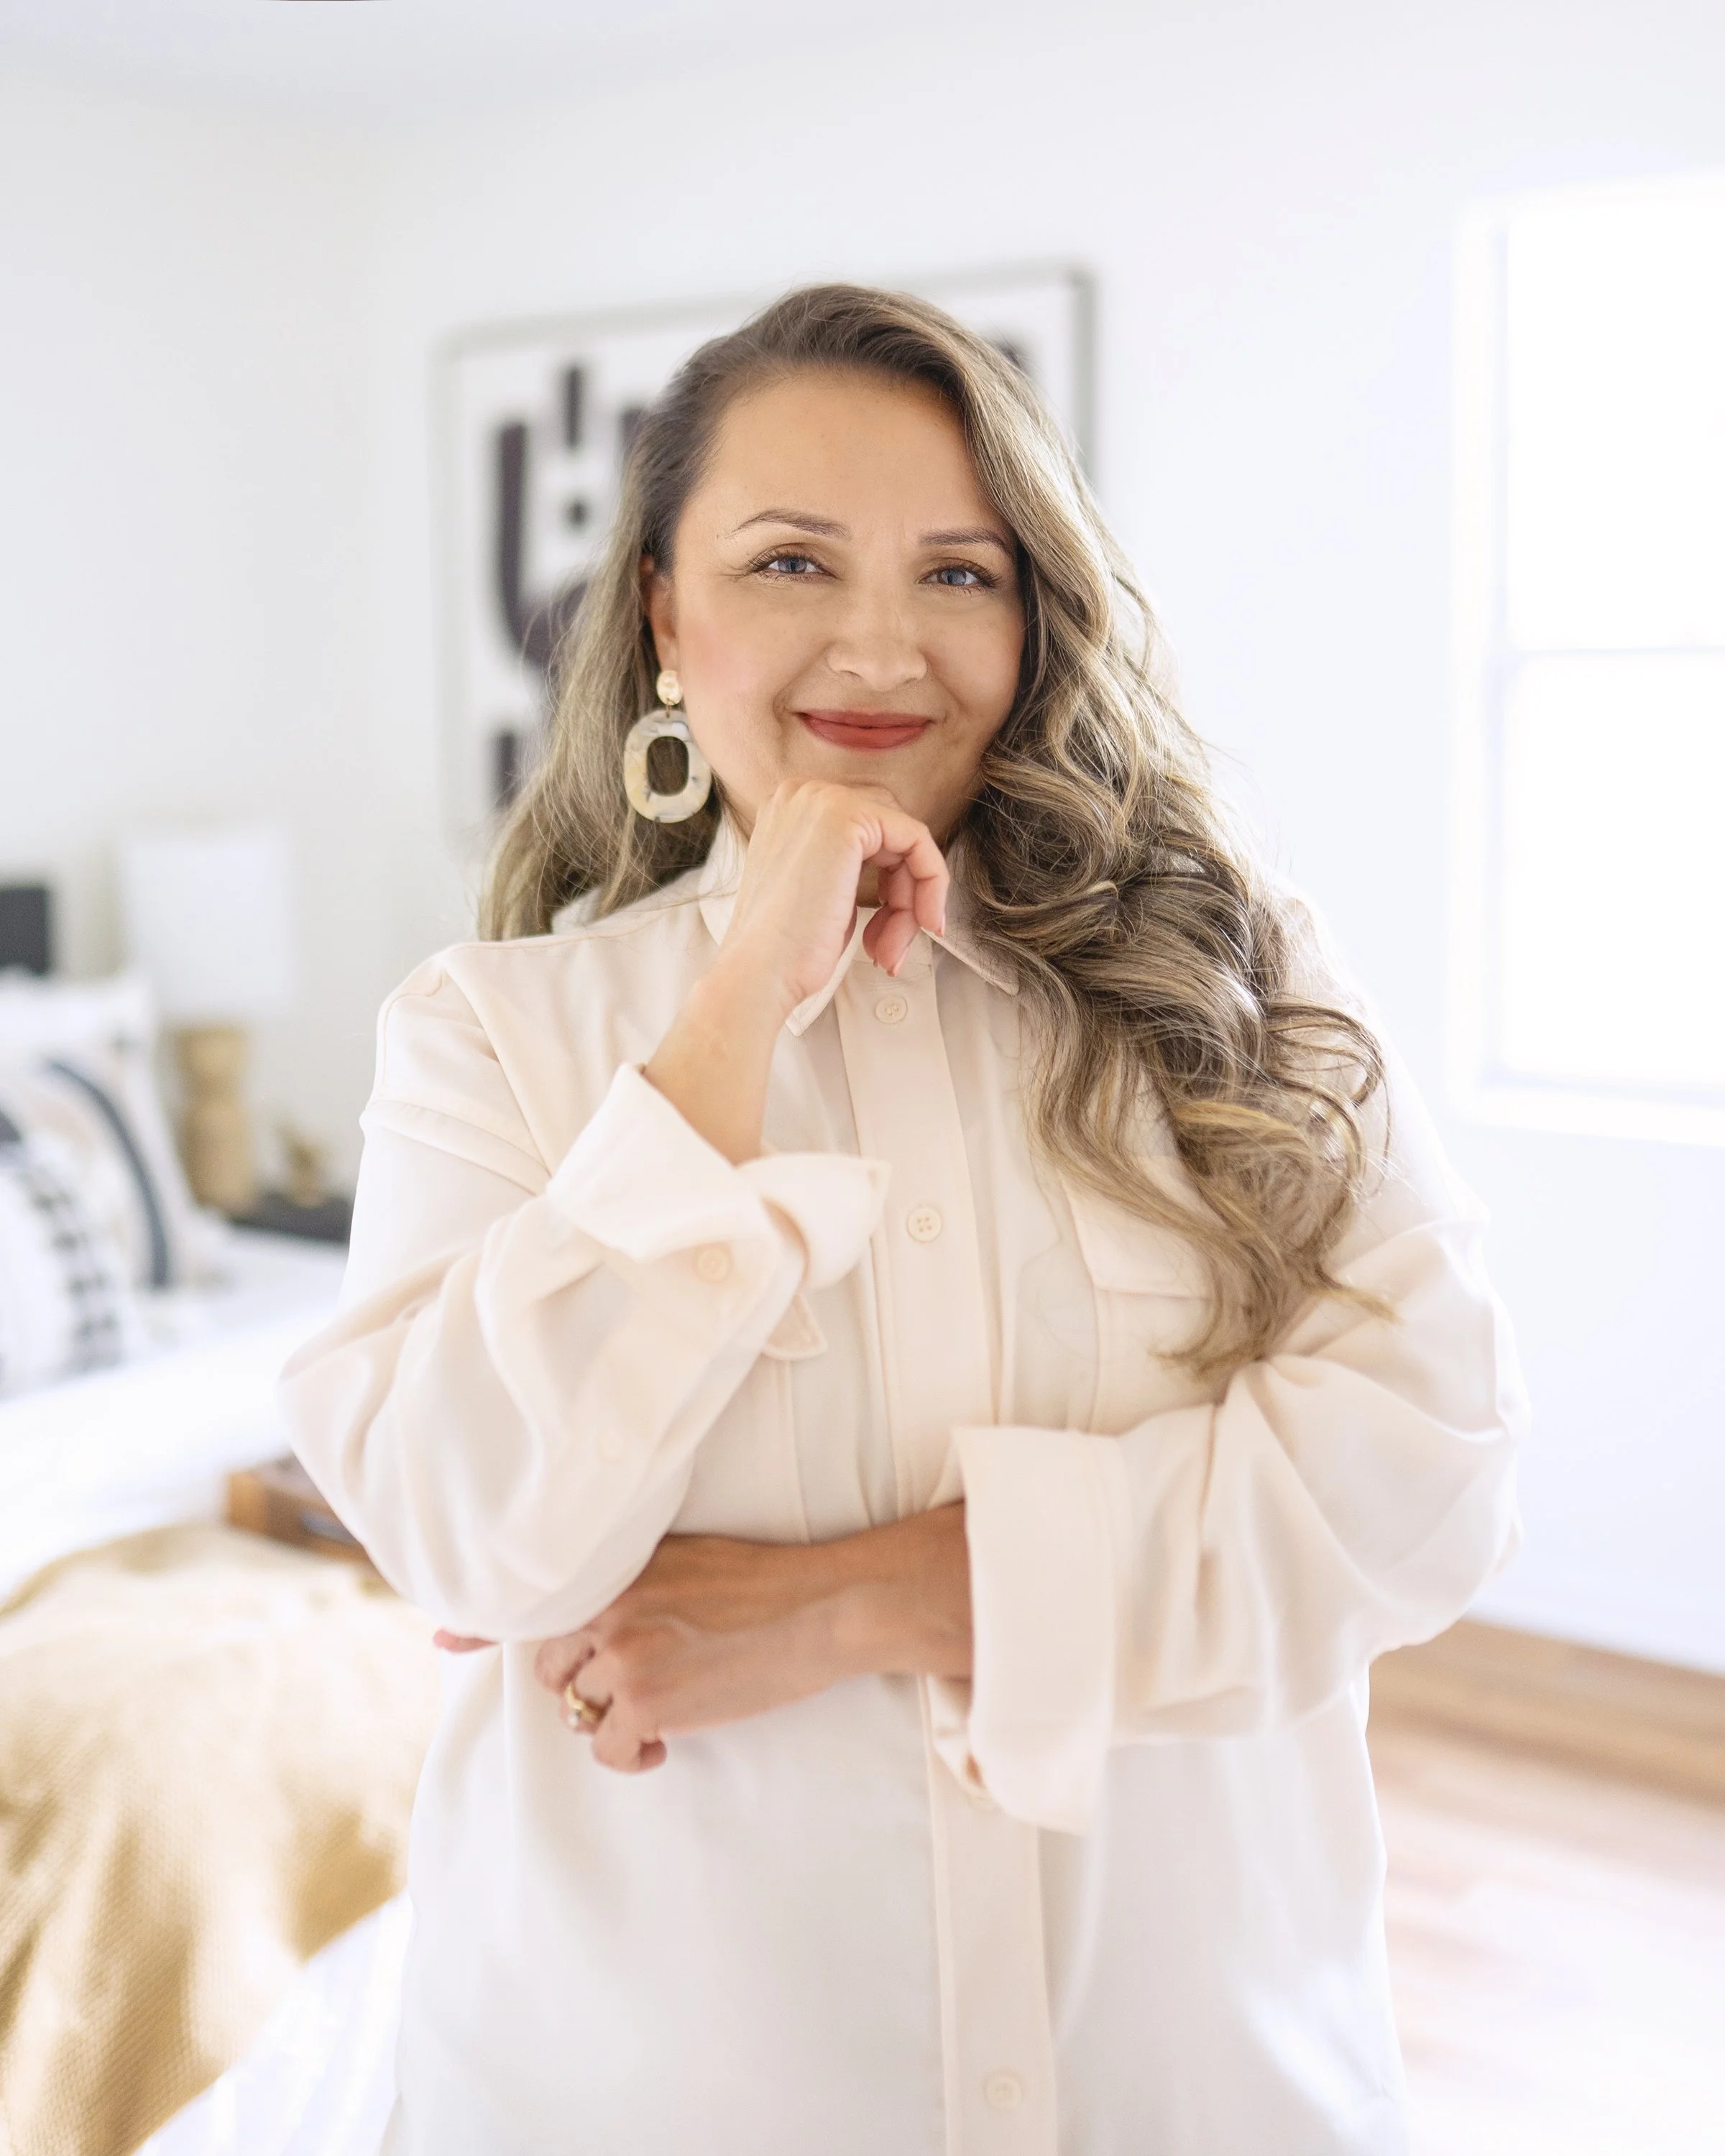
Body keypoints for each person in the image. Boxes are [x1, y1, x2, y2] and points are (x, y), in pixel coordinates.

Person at [282, 284, 1524, 2156]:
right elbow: (468, 1540)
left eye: (961, 571)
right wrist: (726, 1021)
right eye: (792, 560)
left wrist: (859, 1602)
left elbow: (1428, 1475)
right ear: (662, 616)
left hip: (1208, 2093)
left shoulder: (1241, 983)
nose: (883, 642)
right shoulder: (495, 1035)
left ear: (1037, 619)